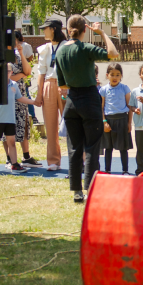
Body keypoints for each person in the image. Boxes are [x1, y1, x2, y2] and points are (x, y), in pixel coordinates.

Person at [54, 15, 109, 203]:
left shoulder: (60, 50)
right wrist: (102, 33)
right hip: (89, 100)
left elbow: (62, 84)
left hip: (71, 102)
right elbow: (113, 53)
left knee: (74, 148)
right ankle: (92, 188)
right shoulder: (85, 48)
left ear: (68, 30)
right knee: (92, 147)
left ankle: (77, 191)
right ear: (85, 29)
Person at [0, 73, 37, 174]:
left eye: (9, 70)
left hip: (10, 120)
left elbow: (20, 98)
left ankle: (14, 164)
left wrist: (34, 102)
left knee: (12, 143)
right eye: (5, 70)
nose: (7, 72)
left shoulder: (14, 84)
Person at [34, 16, 66, 171]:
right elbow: (41, 73)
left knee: (71, 123)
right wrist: (39, 94)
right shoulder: (44, 49)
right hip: (48, 85)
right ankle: (53, 161)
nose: (43, 31)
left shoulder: (67, 45)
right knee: (50, 125)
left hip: (65, 85)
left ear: (53, 29)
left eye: (45, 28)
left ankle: (80, 159)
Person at [99, 63, 132, 175]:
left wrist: (129, 123)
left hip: (122, 119)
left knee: (123, 148)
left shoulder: (125, 88)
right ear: (107, 75)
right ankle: (107, 170)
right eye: (112, 74)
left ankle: (125, 170)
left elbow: (129, 106)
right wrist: (104, 122)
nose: (114, 77)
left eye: (117, 75)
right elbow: (101, 107)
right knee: (108, 148)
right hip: (108, 120)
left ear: (121, 76)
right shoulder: (103, 89)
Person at [9, 48, 40, 166]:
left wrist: (22, 54)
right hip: (8, 99)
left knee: (24, 126)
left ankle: (26, 157)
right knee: (8, 128)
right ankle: (9, 158)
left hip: (21, 96)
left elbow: (28, 71)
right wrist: (21, 75)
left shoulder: (18, 56)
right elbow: (8, 77)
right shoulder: (2, 56)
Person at [15, 31, 38, 126]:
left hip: (24, 73)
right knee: (24, 95)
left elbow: (31, 60)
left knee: (26, 94)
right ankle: (31, 116)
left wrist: (27, 70)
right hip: (15, 73)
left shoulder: (26, 45)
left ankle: (32, 116)